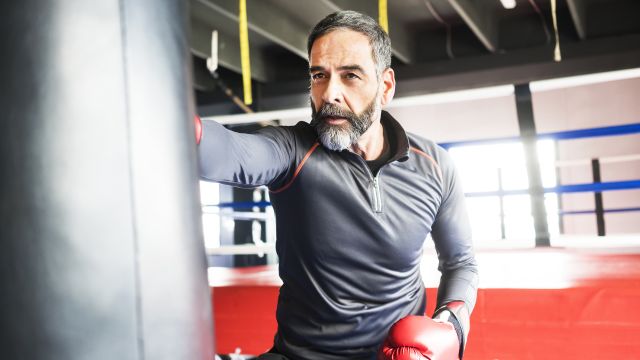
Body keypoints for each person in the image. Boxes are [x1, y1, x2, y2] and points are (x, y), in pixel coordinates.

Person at [197, 10, 478, 360]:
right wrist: (166, 121)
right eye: (319, 75)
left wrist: (450, 325)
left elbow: (461, 263)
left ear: (385, 86)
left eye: (350, 76)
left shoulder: (434, 167)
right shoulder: (293, 150)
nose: (330, 93)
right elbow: (229, 151)